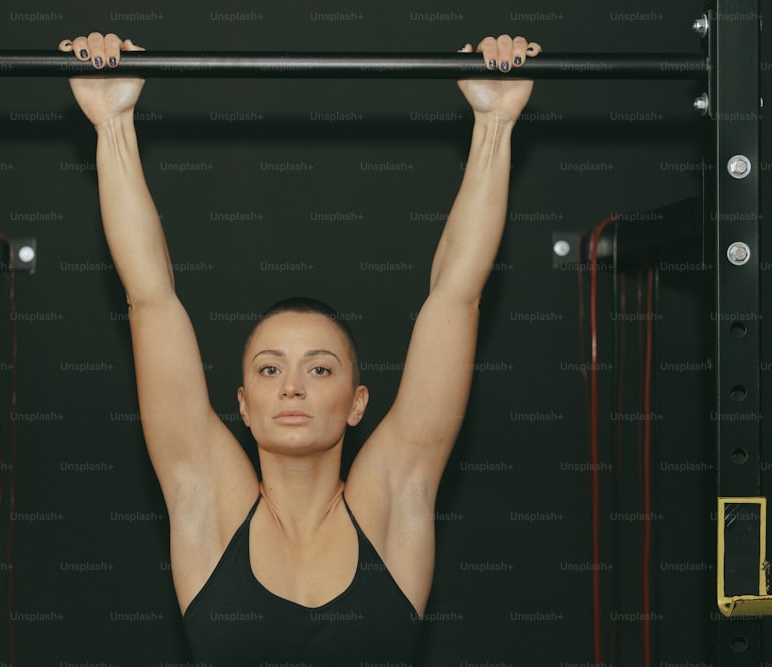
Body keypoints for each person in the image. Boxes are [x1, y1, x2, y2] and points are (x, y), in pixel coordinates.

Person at [61, 32, 540, 667]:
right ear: (243, 403)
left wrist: (495, 123)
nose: (292, 386)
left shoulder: (394, 499)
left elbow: (455, 297)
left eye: (320, 368)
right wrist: (112, 124)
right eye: (269, 369)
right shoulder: (207, 498)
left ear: (357, 402)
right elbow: (150, 297)